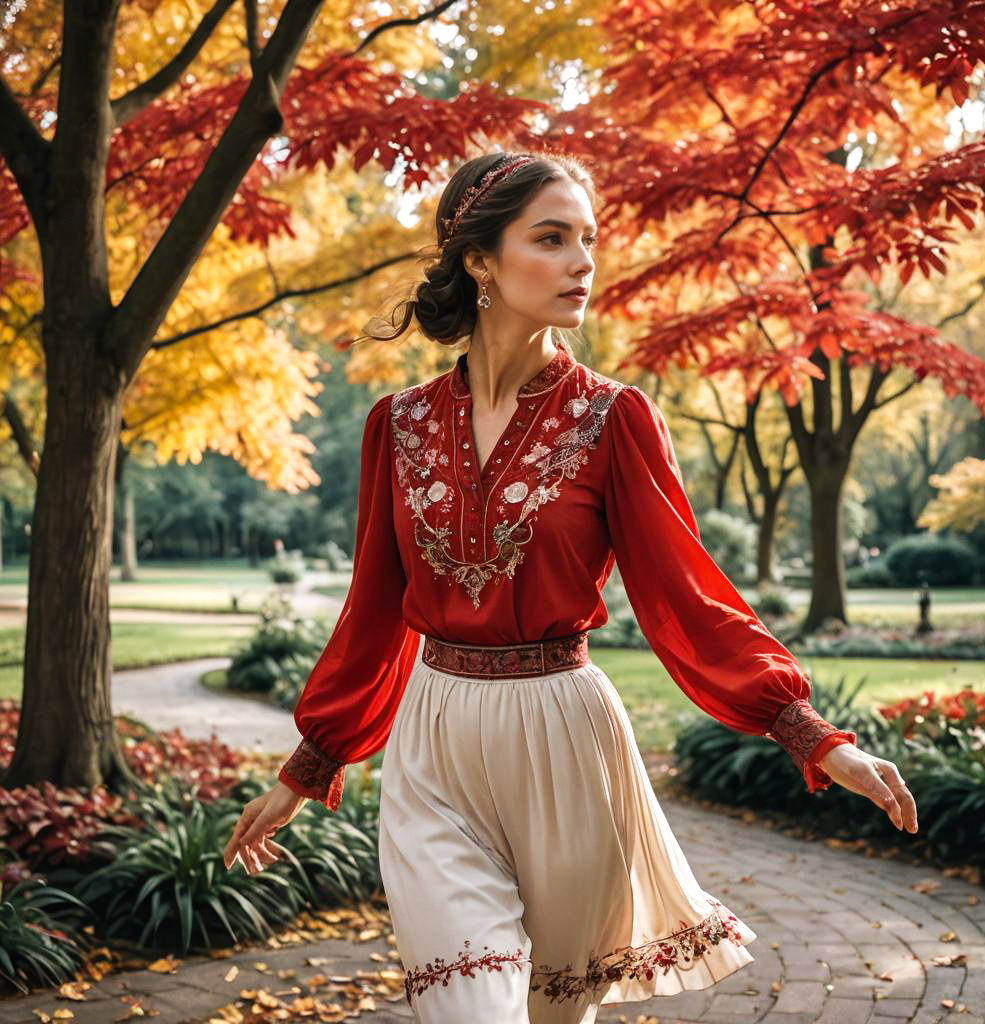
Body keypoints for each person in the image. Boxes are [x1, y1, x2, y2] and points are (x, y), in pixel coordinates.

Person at [222, 151, 918, 1024]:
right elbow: (373, 611)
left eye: (588, 239)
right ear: (479, 259)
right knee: (471, 1009)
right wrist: (309, 763)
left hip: (568, 744)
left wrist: (811, 735)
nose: (583, 261)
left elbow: (688, 596)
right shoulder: (394, 426)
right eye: (551, 239)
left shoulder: (614, 419)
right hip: (433, 744)